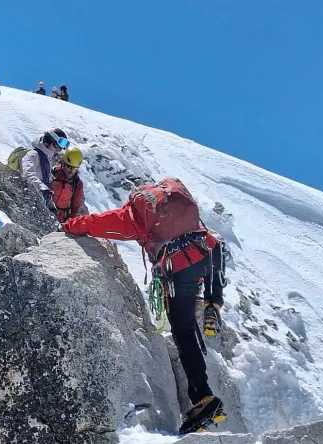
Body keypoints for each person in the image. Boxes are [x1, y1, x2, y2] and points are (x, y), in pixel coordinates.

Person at [61, 178, 228, 434]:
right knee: (193, 317)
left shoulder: (132, 217)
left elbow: (96, 224)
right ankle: (213, 302)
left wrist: (69, 225)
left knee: (184, 333)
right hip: (208, 250)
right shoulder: (175, 193)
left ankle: (203, 398)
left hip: (178, 267)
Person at [21, 129, 70, 212]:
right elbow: (27, 173)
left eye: (61, 147)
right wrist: (41, 187)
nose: (59, 149)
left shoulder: (48, 157)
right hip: (29, 196)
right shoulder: (33, 155)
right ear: (48, 141)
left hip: (41, 198)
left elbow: (47, 180)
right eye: (57, 146)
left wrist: (50, 204)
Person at [51, 147, 85, 222]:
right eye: (69, 167)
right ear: (63, 163)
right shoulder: (52, 174)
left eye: (75, 168)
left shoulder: (77, 183)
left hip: (61, 219)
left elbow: (75, 207)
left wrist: (70, 223)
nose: (72, 171)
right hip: (46, 212)